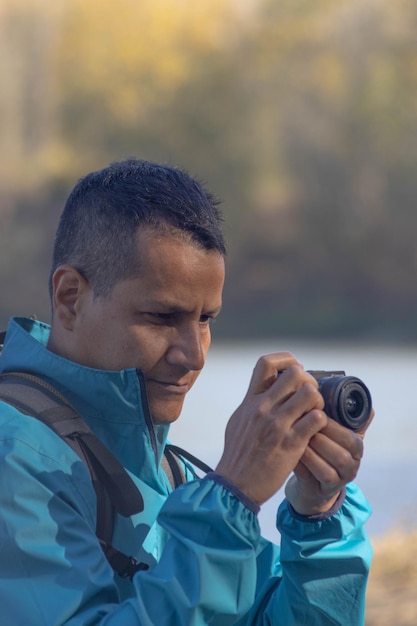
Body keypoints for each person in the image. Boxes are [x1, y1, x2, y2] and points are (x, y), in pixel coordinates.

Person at [0, 158, 372, 625]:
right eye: (161, 317)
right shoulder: (13, 456)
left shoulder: (168, 472)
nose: (194, 354)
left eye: (205, 319)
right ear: (70, 298)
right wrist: (232, 497)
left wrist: (318, 519)